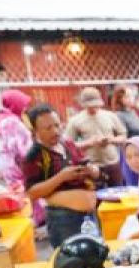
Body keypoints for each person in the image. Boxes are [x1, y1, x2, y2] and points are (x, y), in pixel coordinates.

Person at [22, 103, 100, 247]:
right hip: (63, 220)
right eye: (48, 128)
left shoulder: (67, 143)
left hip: (89, 216)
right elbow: (31, 192)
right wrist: (61, 177)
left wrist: (92, 170)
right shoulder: (34, 156)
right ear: (35, 131)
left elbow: (87, 163)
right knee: (71, 263)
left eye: (57, 125)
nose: (55, 131)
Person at [66, 86, 128, 186]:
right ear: (83, 105)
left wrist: (110, 140)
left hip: (113, 163)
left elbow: (123, 136)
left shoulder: (110, 116)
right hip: (92, 166)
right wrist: (89, 143)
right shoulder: (75, 121)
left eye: (96, 105)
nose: (93, 108)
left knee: (117, 194)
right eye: (90, 106)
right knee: (96, 197)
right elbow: (68, 145)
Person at [0, 90, 34, 191]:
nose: (25, 108)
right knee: (24, 193)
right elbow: (20, 148)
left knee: (18, 192)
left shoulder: (4, 118)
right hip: (15, 165)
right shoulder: (12, 122)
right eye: (23, 104)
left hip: (9, 163)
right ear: (16, 104)